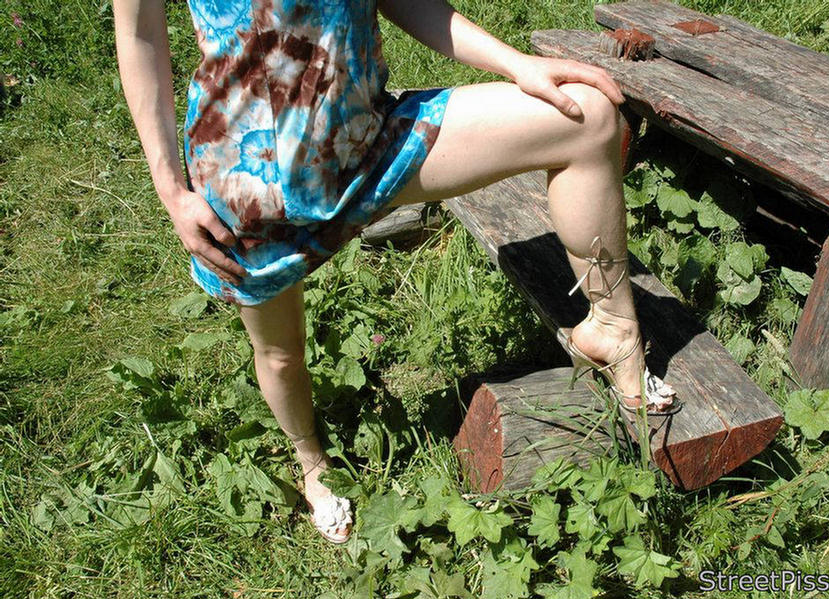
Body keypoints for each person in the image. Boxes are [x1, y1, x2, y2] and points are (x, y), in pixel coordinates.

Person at [112, 0, 677, 545]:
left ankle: (612, 329)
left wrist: (515, 63)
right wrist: (171, 190)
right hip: (250, 189)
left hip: (370, 140)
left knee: (586, 116)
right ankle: (312, 462)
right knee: (281, 354)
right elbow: (138, 33)